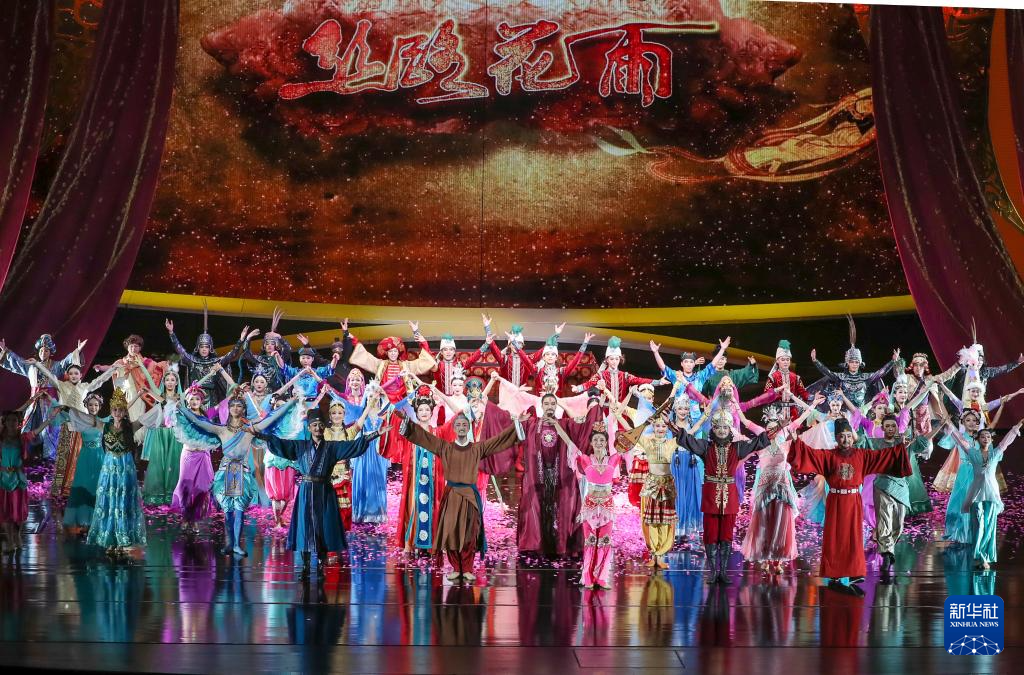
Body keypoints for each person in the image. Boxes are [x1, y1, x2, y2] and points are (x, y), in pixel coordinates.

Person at [394, 409, 525, 582]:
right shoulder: (445, 447)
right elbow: (425, 438)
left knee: (469, 534)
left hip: (470, 496)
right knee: (451, 532)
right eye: (458, 425)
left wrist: (516, 425)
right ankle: (456, 567)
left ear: (468, 428)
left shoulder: (477, 448)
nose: (462, 427)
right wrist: (408, 422)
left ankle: (468, 568)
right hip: (451, 495)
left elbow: (498, 441)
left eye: (464, 424)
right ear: (454, 428)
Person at [255, 409, 386, 579]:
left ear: (325, 427)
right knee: (305, 527)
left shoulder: (332, 447)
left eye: (320, 425)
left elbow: (352, 446)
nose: (317, 428)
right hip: (306, 491)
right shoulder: (300, 446)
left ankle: (320, 565)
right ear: (309, 428)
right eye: (314, 425)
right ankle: (305, 566)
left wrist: (375, 434)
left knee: (323, 528)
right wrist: (259, 435)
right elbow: (280, 444)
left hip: (325, 490)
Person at [787, 417, 911, 595]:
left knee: (853, 537)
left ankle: (854, 573)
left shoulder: (862, 455)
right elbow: (809, 454)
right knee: (835, 538)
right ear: (837, 438)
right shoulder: (829, 456)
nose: (846, 439)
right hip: (836, 501)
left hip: (853, 501)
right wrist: (795, 440)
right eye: (841, 436)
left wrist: (900, 449)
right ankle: (834, 576)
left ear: (852, 437)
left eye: (848, 436)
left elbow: (882, 456)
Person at [174, 389, 295, 557]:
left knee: (239, 510)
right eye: (233, 405)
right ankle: (230, 544)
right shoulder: (221, 430)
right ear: (229, 408)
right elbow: (197, 421)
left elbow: (272, 417)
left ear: (243, 409)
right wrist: (181, 408)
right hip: (225, 472)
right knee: (228, 510)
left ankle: (237, 544)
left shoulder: (251, 429)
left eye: (239, 406)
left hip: (241, 472)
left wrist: (291, 402)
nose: (236, 408)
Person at [676, 410, 770, 584]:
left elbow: (759, 442)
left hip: (729, 498)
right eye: (718, 427)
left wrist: (777, 429)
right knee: (711, 534)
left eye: (725, 427)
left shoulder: (738, 448)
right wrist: (671, 427)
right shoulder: (705, 447)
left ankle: (724, 571)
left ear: (730, 429)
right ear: (713, 429)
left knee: (726, 535)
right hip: (711, 497)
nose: (721, 430)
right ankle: (713, 571)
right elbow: (687, 440)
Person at [737, 396, 821, 574]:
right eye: (769, 428)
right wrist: (735, 406)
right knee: (765, 523)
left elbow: (800, 420)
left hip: (782, 486)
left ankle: (778, 560)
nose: (772, 430)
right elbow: (745, 422)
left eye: (775, 427)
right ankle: (765, 556)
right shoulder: (761, 438)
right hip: (765, 486)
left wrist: (812, 405)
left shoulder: (784, 435)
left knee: (781, 523)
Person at [514, 391, 602, 559]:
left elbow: (585, 428)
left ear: (556, 406)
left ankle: (560, 545)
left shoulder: (565, 424)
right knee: (537, 509)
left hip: (560, 475)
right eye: (546, 404)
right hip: (538, 475)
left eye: (552, 404)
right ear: (542, 406)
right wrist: (519, 421)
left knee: (560, 510)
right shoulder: (533, 423)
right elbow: (520, 437)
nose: (549, 407)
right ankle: (535, 545)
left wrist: (595, 406)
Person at [62, 390, 147, 558]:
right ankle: (110, 539)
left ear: (124, 411)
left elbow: (146, 419)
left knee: (123, 501)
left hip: (125, 468)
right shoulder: (104, 425)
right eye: (115, 410)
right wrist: (68, 408)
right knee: (109, 501)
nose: (117, 413)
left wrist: (162, 404)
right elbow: (85, 418)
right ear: (111, 410)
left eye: (120, 410)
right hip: (109, 467)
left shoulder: (130, 426)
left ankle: (123, 540)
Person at [859, 413, 943, 578]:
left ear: (897, 428)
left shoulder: (906, 443)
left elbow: (923, 441)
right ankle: (886, 552)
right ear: (883, 429)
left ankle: (888, 547)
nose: (890, 428)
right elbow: (861, 443)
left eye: (893, 426)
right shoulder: (876, 443)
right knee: (883, 521)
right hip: (882, 485)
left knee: (898, 523)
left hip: (901, 488)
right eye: (887, 426)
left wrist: (939, 426)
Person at [30, 360, 116, 497]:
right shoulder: (62, 385)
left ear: (80, 375)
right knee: (64, 455)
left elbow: (100, 380)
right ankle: (62, 487)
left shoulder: (85, 387)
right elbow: (50, 375)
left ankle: (80, 485)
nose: (74, 376)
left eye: (76, 373)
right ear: (67, 375)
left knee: (80, 456)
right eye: (71, 374)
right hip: (67, 424)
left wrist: (112, 369)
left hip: (83, 426)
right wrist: (37, 364)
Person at [946, 420, 1022, 570]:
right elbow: (960, 441)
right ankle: (979, 556)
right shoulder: (973, 453)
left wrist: (1017, 426)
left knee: (989, 527)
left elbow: (1006, 441)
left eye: (988, 436)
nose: (985, 438)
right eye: (982, 436)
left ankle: (985, 556)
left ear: (991, 440)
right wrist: (949, 424)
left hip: (992, 494)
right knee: (978, 526)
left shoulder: (995, 453)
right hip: (976, 494)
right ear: (977, 439)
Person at [556, 424, 622, 589]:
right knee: (590, 542)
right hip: (590, 506)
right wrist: (557, 424)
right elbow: (569, 442)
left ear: (606, 443)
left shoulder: (613, 459)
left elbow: (629, 443)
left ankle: (601, 578)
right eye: (596, 440)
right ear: (591, 443)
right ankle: (588, 578)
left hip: (607, 507)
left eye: (602, 440)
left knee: (605, 542)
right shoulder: (585, 459)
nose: (599, 443)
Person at [0, 334, 85, 459]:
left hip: (49, 403)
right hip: (33, 403)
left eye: (46, 350)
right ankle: (26, 455)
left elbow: (67, 361)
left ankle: (49, 458)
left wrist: (78, 350)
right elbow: (18, 362)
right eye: (41, 350)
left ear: (50, 352)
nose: (43, 353)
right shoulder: (31, 366)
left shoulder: (56, 366)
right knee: (27, 428)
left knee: (50, 430)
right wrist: (5, 350)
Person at [810, 317, 899, 409]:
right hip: (844, 412)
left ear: (860, 363)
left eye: (856, 362)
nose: (854, 364)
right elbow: (827, 372)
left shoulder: (866, 377)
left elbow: (881, 372)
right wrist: (816, 361)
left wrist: (892, 361)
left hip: (861, 412)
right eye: (852, 362)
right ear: (847, 363)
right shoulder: (840, 377)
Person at [166, 313, 252, 403]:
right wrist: (172, 333)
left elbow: (232, 355)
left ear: (210, 348)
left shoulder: (216, 362)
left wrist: (241, 340)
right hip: (195, 397)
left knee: (213, 412)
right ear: (198, 348)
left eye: (206, 347)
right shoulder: (192, 361)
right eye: (202, 347)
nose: (204, 349)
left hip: (212, 397)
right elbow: (180, 350)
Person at [135, 366, 186, 506]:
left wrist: (211, 373)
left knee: (173, 464)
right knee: (158, 464)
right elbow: (151, 383)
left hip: (173, 434)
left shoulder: (180, 397)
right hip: (160, 433)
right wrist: (141, 365)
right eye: (167, 380)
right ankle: (157, 494)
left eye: (172, 380)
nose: (170, 382)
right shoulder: (160, 395)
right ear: (164, 382)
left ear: (176, 382)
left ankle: (171, 494)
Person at [170, 387, 217, 535]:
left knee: (202, 488)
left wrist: (234, 391)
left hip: (203, 456)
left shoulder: (207, 415)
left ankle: (195, 518)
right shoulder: (183, 414)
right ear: (187, 401)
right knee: (186, 487)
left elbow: (220, 407)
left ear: (201, 401)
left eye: (197, 399)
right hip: (189, 455)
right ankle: (186, 517)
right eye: (192, 399)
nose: (195, 401)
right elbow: (167, 408)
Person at [0, 411, 28, 557]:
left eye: (14, 420)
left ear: (19, 423)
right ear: (4, 422)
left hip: (18, 478)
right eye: (9, 420)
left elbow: (36, 431)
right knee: (5, 511)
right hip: (4, 479)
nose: (11, 423)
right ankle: (10, 541)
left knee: (18, 510)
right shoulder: (1, 438)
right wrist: (3, 468)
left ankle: (17, 535)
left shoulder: (22, 438)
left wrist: (50, 419)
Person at [762, 340, 809, 421]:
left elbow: (804, 394)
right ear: (777, 361)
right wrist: (778, 390)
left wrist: (814, 397)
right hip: (776, 412)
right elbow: (766, 394)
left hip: (793, 413)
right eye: (783, 360)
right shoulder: (773, 377)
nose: (785, 362)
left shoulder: (795, 377)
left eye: (787, 359)